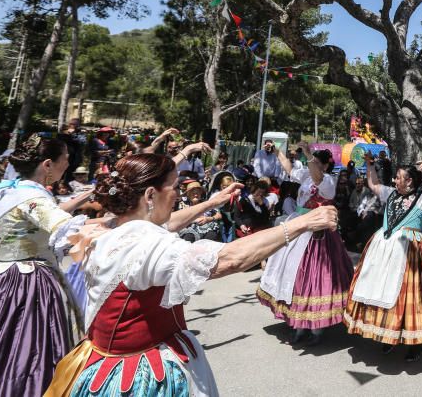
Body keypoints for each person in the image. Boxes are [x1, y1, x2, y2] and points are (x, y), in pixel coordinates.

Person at [44, 152, 337, 396]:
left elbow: (166, 223)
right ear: (149, 194)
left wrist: (212, 202)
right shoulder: (148, 245)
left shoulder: (109, 228)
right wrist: (301, 224)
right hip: (135, 374)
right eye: (173, 186)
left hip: (97, 360)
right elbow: (230, 259)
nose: (178, 193)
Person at [0, 134, 92, 396]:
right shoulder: (35, 199)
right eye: (65, 159)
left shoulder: (13, 191)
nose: (68, 165)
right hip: (27, 282)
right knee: (26, 346)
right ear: (48, 164)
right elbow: (63, 227)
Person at [343, 159, 422, 362]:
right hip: (384, 249)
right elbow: (374, 184)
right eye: (396, 177)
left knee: (412, 298)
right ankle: (389, 334)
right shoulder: (391, 193)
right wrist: (370, 165)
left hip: (410, 252)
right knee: (384, 291)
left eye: (399, 177)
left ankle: (416, 341)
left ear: (411, 181)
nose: (395, 180)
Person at [256, 144, 354, 345]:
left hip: (317, 233)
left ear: (326, 166)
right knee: (293, 276)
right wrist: (277, 152)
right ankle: (299, 325)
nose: (313, 165)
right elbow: (289, 168)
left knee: (314, 278)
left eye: (318, 163)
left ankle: (317, 329)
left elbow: (317, 178)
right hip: (298, 226)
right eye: (313, 162)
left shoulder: (327, 181)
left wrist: (309, 154)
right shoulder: (306, 176)